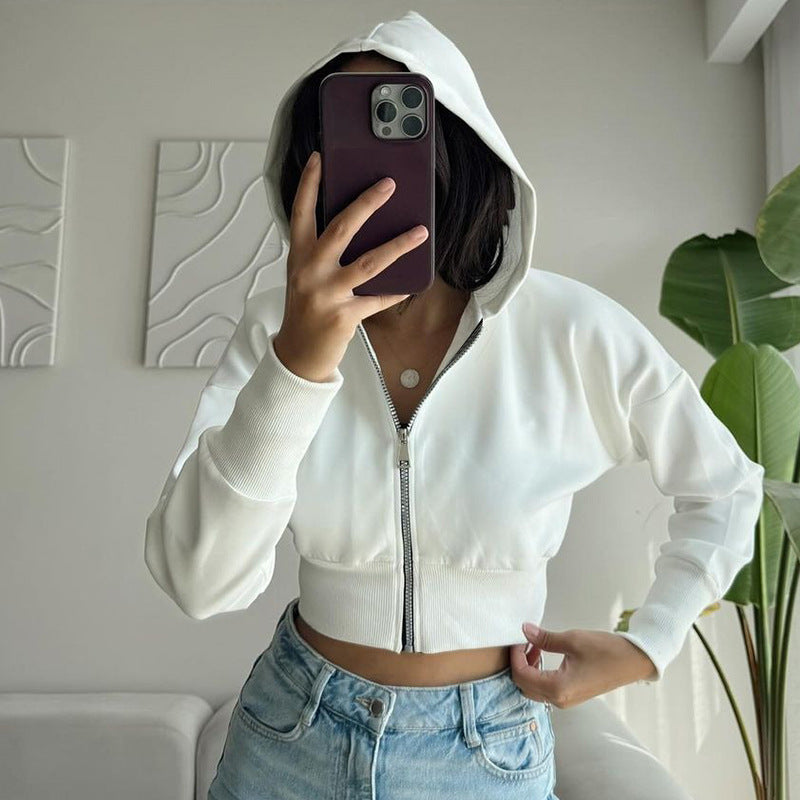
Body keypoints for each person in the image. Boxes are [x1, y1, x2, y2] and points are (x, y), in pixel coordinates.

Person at [143, 10, 765, 800]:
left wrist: (651, 643)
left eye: (401, 126)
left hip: (484, 752)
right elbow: (198, 582)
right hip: (287, 734)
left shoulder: (572, 329)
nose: (370, 166)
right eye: (342, 133)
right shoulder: (276, 329)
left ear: (459, 147)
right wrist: (298, 365)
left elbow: (726, 487)